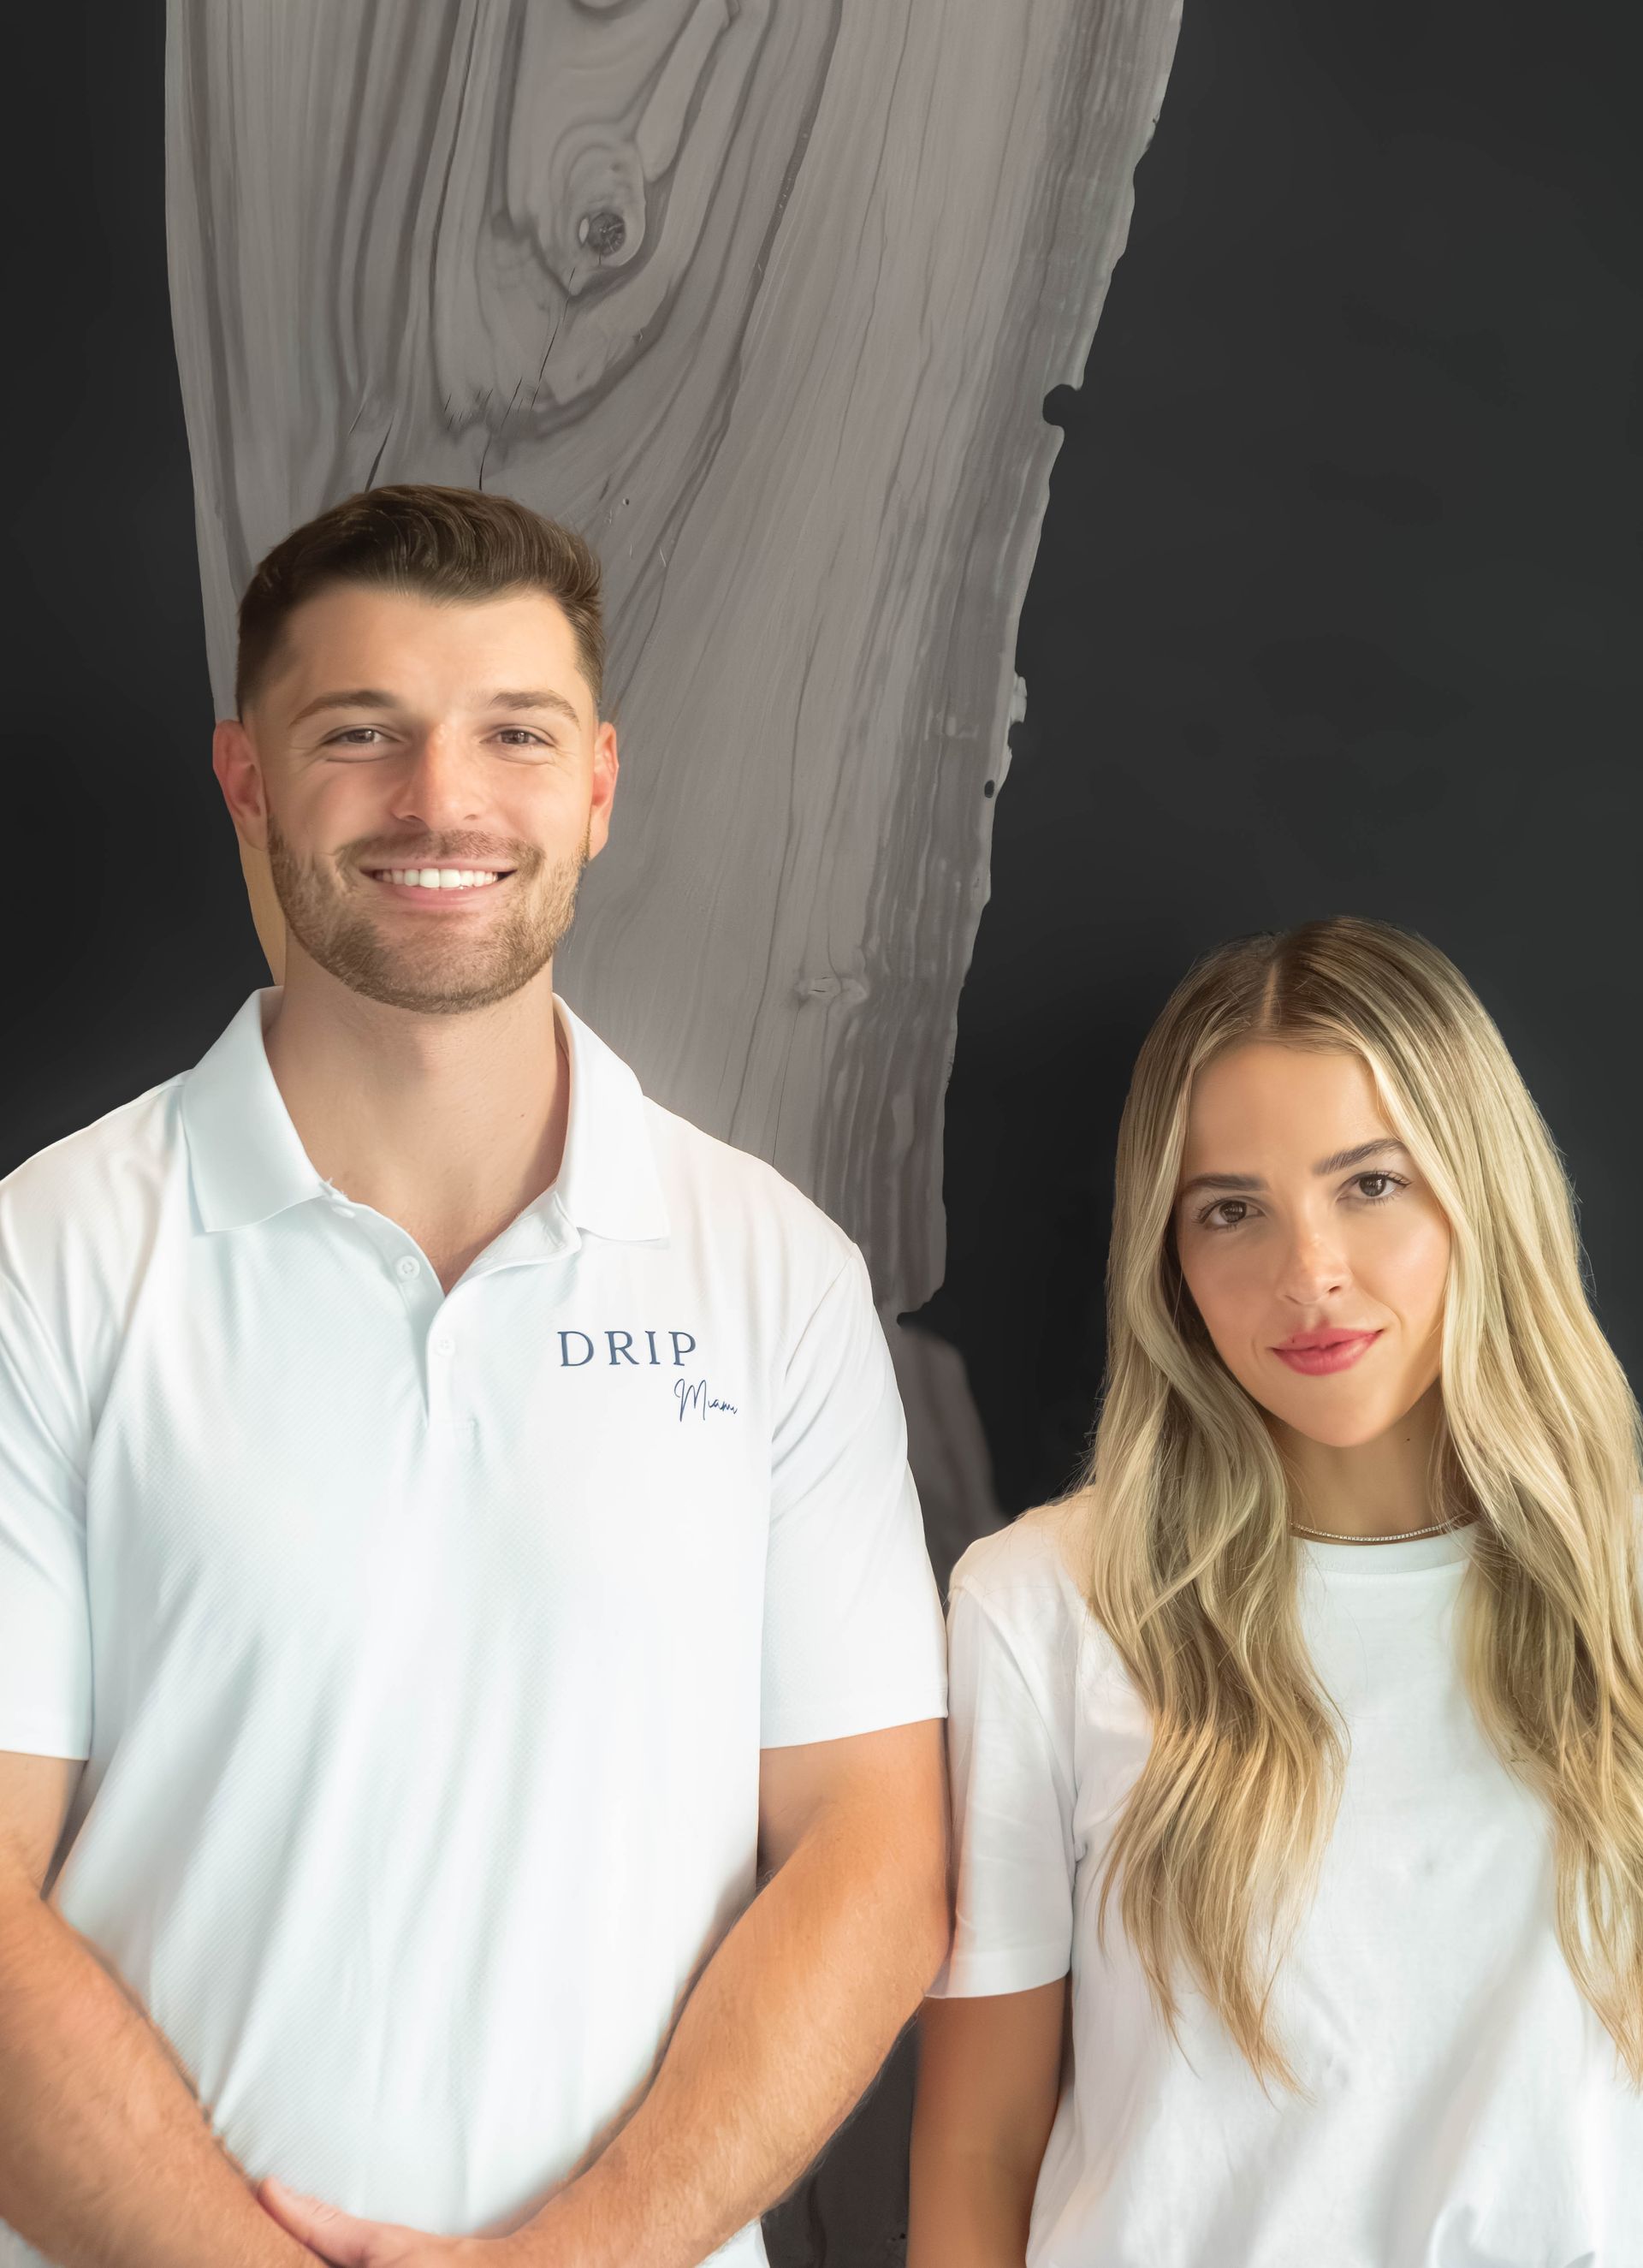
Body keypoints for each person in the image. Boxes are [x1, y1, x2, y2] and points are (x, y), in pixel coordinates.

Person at [0, 484, 950, 2268]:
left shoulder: (774, 1281)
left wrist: (567, 2257)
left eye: (511, 734)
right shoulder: (38, 1266)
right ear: (247, 778)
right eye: (360, 733)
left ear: (595, 780)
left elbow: (874, 1861)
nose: (442, 800)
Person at [908, 916, 1643, 2267]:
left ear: (1480, 1189)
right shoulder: (1042, 1606)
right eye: (1231, 1208)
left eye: (1371, 1184)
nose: (1308, 1272)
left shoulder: (1628, 1589)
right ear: (1170, 1261)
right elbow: (981, 2142)